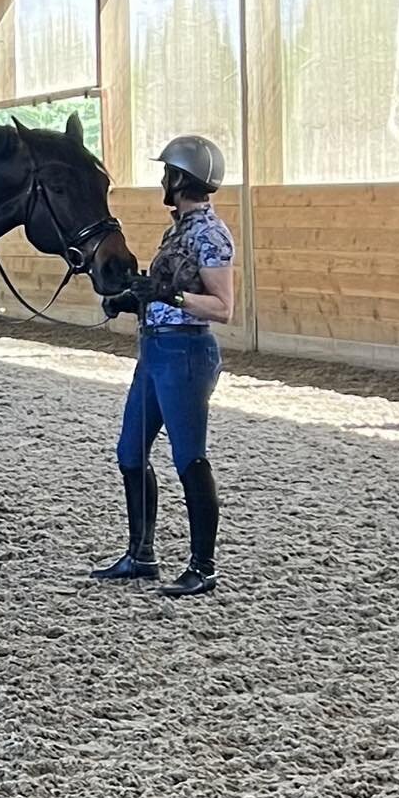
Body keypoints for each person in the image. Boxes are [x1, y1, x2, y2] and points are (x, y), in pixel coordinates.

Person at [93, 135, 235, 598]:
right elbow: (164, 295)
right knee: (129, 452)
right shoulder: (177, 231)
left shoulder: (211, 236)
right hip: (155, 351)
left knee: (189, 458)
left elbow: (221, 307)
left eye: (166, 173)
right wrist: (130, 299)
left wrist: (167, 295)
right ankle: (141, 554)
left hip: (186, 355)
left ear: (179, 179)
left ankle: (203, 566)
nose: (162, 180)